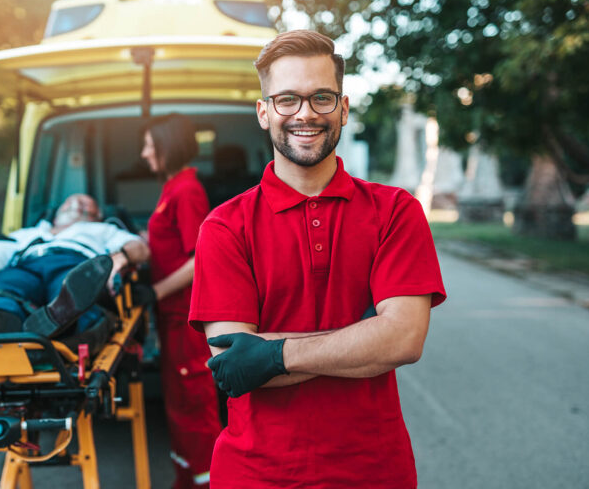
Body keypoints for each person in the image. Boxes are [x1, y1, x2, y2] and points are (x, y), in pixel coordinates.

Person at [188, 30, 447, 488]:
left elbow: (404, 339)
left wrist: (274, 352)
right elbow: (235, 365)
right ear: (264, 112)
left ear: (343, 110)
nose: (305, 113)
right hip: (255, 474)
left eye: (321, 97)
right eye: (287, 99)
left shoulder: (395, 211)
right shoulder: (224, 227)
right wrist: (366, 335)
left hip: (374, 471)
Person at [0, 194, 149, 346]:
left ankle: (57, 315)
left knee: (72, 288)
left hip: (75, 263)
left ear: (97, 215)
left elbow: (140, 248)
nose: (76, 203)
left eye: (86, 203)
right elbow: (2, 246)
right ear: (56, 213)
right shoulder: (32, 232)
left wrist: (122, 256)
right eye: (69, 201)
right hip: (27, 264)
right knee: (4, 289)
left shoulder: (102, 230)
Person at [140, 113, 223, 489]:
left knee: (195, 407)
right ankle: (185, 480)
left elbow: (199, 260)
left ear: (167, 146)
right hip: (170, 319)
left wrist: (154, 291)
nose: (144, 153)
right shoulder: (171, 186)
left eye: (149, 145)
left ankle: (210, 482)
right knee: (178, 408)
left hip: (186, 319)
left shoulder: (187, 191)